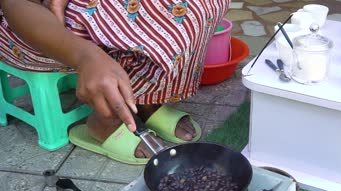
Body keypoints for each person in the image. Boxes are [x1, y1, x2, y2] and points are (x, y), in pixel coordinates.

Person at [0, 0, 229, 164]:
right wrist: (85, 56)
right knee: (147, 16)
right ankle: (104, 121)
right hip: (28, 24)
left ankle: (143, 97)